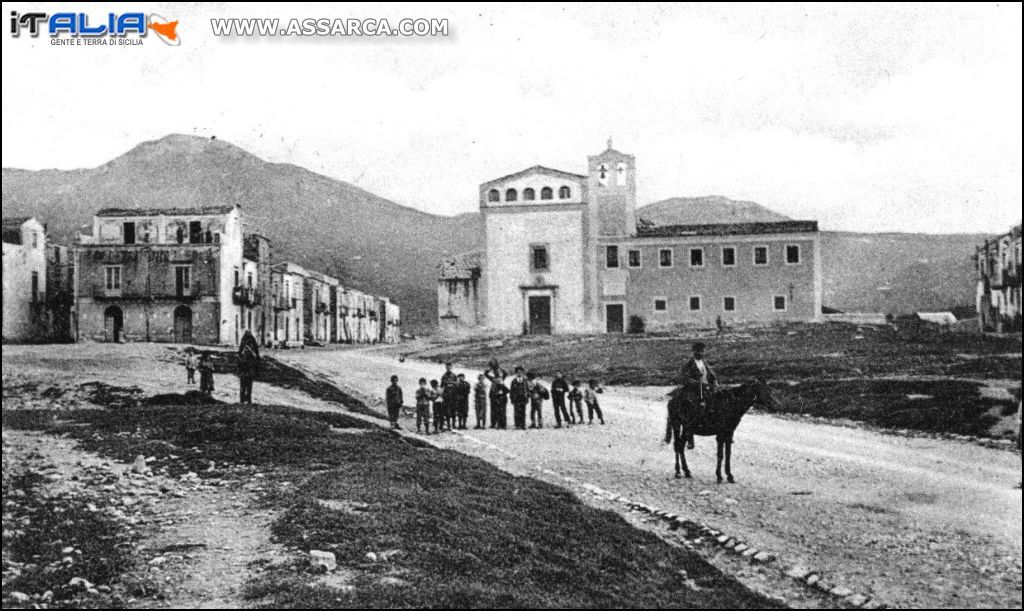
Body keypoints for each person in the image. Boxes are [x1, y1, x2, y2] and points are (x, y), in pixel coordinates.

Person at [678, 341, 718, 449]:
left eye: (702, 351)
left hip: (705, 390)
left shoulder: (704, 364)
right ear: (693, 352)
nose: (700, 353)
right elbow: (685, 378)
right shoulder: (688, 365)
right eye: (698, 351)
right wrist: (698, 383)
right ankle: (689, 437)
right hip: (692, 390)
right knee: (692, 409)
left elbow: (712, 376)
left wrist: (714, 383)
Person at [238, 329, 260, 404]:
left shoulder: (246, 341)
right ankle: (245, 399)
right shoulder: (249, 341)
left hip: (246, 371)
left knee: (246, 386)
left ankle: (245, 399)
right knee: (246, 386)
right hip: (246, 371)